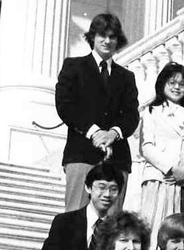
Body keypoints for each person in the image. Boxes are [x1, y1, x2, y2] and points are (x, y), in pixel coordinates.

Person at [55, 13, 138, 212]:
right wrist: (93, 132)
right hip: (81, 154)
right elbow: (65, 105)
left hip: (116, 157)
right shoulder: (73, 67)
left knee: (111, 228)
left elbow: (131, 114)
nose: (107, 41)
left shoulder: (126, 77)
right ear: (92, 36)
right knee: (75, 219)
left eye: (112, 36)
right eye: (102, 35)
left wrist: (113, 133)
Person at [139, 62, 184, 250]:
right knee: (153, 227)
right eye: (172, 82)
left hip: (181, 184)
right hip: (158, 179)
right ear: (163, 84)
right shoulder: (151, 111)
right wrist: (170, 169)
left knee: (178, 233)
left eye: (182, 84)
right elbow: (147, 147)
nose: (176, 87)